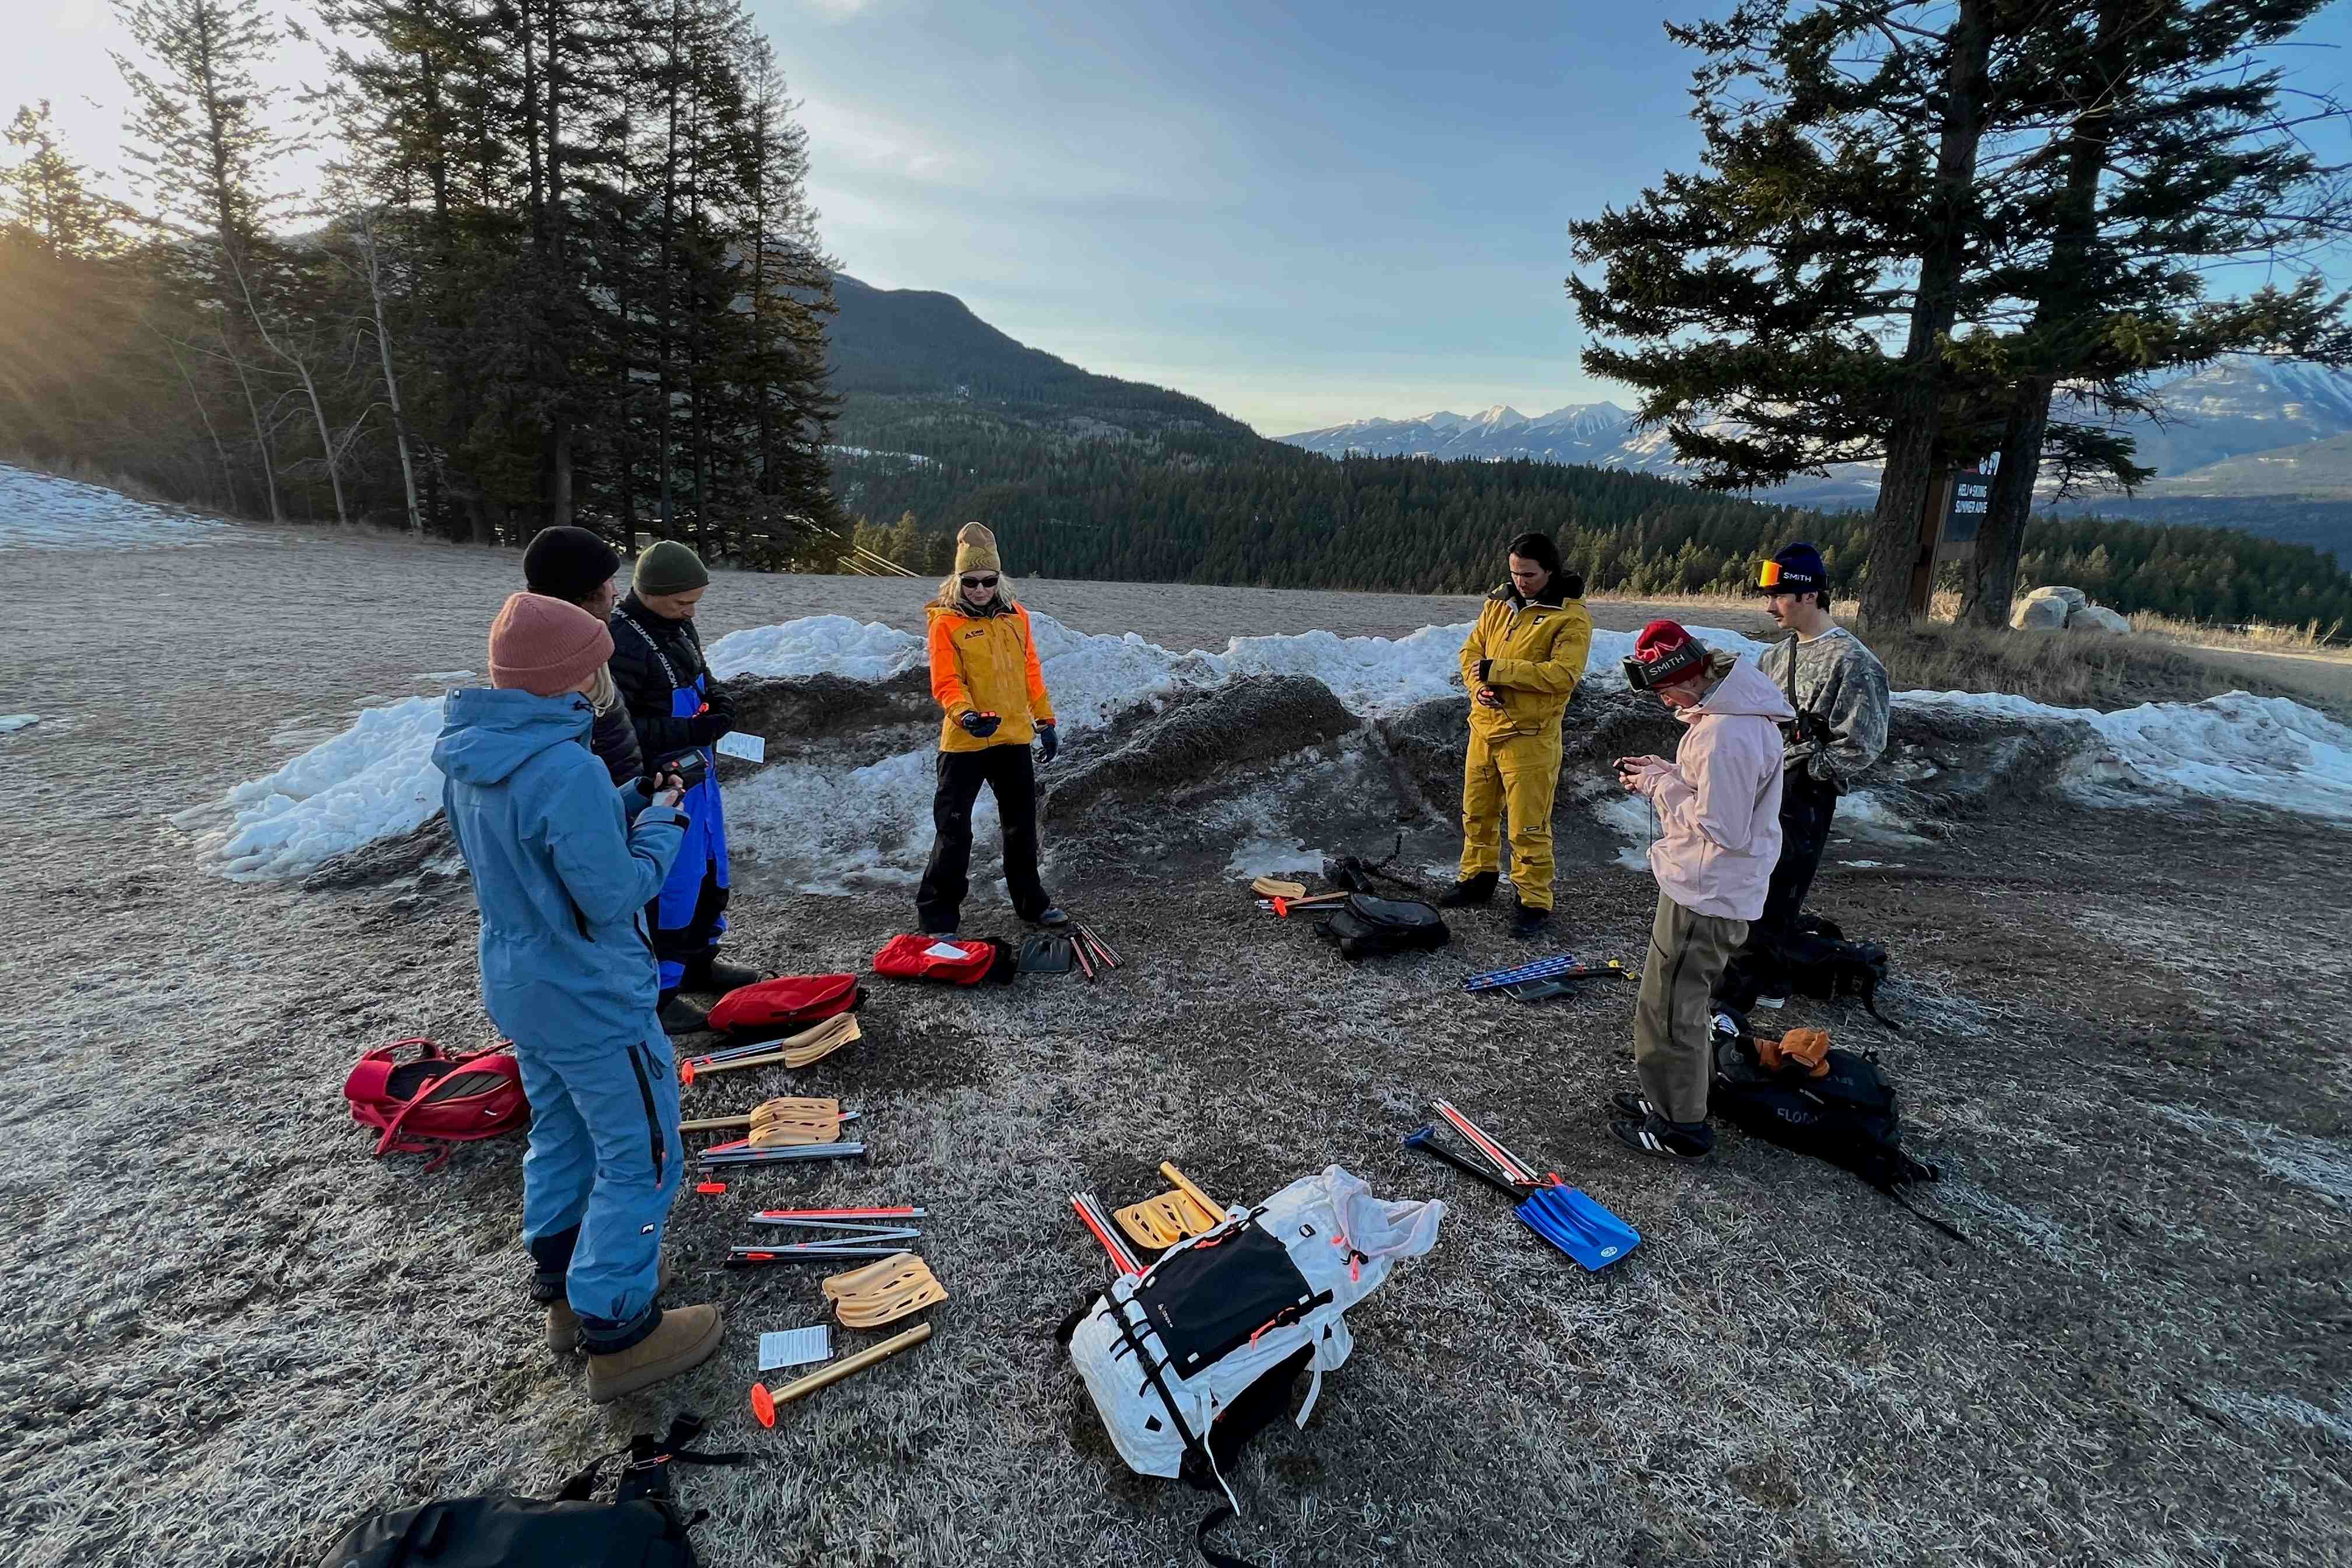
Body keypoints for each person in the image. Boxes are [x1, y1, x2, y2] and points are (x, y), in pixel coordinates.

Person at [433, 592, 724, 1402]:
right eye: (598, 664)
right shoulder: (566, 768)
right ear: (574, 676)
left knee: (562, 1135)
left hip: (525, 986)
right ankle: (621, 1328)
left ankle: (566, 1288)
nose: (607, 678)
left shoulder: (473, 757)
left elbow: (538, 849)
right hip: (592, 993)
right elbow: (612, 892)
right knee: (644, 1153)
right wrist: (663, 823)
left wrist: (629, 802)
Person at [1606, 620, 1792, 1161]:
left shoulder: (1726, 734)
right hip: (1708, 884)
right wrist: (1667, 771)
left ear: (1687, 678)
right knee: (1672, 1002)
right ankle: (1673, 1095)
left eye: (1664, 690)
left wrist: (1659, 785)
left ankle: (1680, 1125)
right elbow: (1719, 796)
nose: (1663, 701)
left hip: (1706, 893)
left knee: (1670, 1008)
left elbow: (1723, 828)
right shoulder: (1729, 716)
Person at [608, 540, 759, 1034]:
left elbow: (702, 675)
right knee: (670, 885)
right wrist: (692, 730)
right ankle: (659, 993)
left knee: (709, 871)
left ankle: (699, 963)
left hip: (699, 774)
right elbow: (620, 726)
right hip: (662, 782)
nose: (691, 611)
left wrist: (720, 701)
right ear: (651, 592)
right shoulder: (621, 640)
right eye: (683, 602)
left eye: (695, 602)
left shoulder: (676, 625)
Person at [1742, 542, 1891, 1007]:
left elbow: (1864, 742)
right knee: (1751, 880)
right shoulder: (1774, 657)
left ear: (1809, 595)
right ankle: (1745, 971)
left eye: (1778, 596)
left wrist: (1810, 769)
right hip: (1764, 785)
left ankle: (1767, 982)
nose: (1769, 607)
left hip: (1805, 794)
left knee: (1781, 888)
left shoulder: (1854, 662)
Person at [1438, 531, 1594, 939]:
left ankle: (1534, 901)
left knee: (1528, 825)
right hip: (1484, 727)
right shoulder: (1499, 603)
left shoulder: (1571, 617)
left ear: (1550, 571)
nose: (1520, 581)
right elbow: (1472, 653)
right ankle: (1477, 878)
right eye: (1514, 573)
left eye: (1528, 574)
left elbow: (1563, 676)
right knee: (1477, 813)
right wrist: (1479, 686)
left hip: (1531, 736)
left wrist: (1499, 672)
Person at [916, 523, 1068, 937]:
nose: (980, 589)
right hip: (965, 741)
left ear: (999, 579)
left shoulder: (1018, 618)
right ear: (958, 581)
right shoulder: (945, 623)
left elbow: (1030, 672)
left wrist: (1045, 720)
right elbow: (947, 681)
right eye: (971, 582)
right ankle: (938, 918)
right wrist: (965, 715)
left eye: (988, 581)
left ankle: (1032, 903)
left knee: (1021, 828)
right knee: (954, 830)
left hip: (1013, 738)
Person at [523, 525, 640, 786]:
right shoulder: (567, 670)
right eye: (609, 581)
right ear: (585, 592)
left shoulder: (540, 651)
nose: (616, 592)